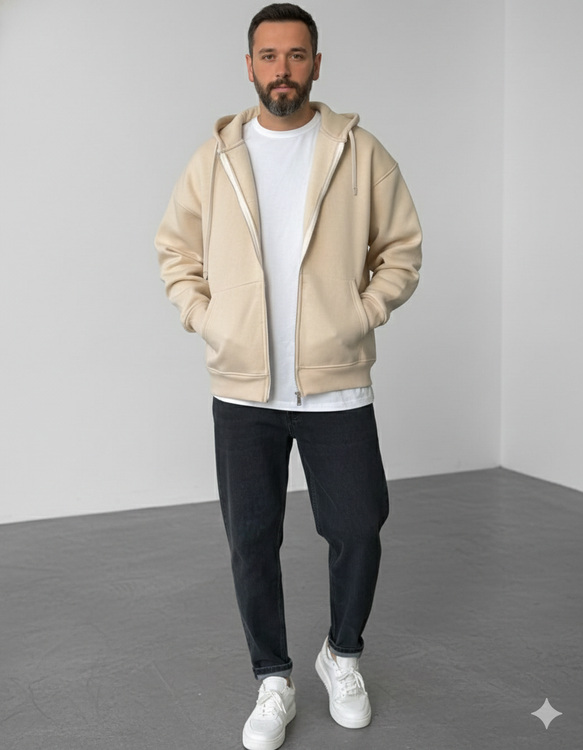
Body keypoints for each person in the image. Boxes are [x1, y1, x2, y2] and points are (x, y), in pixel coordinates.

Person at [155, 4, 422, 748]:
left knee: (358, 527)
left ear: (316, 64)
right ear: (249, 66)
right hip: (242, 386)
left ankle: (342, 655)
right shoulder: (214, 159)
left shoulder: (359, 152)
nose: (282, 70)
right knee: (251, 539)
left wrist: (359, 314)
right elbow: (175, 251)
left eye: (296, 55)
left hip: (336, 381)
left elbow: (401, 250)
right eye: (268, 56)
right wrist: (208, 319)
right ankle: (272, 678)